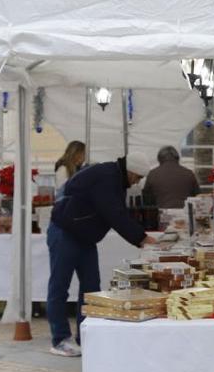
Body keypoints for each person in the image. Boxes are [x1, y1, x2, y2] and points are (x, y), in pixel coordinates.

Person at [46, 151, 152, 356]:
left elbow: (116, 212)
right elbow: (115, 214)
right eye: (138, 178)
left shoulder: (115, 179)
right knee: (60, 286)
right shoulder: (107, 177)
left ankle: (86, 335)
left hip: (84, 236)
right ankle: (60, 339)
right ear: (131, 172)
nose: (136, 183)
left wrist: (140, 235)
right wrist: (141, 238)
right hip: (65, 232)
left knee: (91, 289)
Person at [142, 145, 200, 209]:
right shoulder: (189, 173)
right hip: (185, 214)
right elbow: (198, 196)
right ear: (177, 158)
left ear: (159, 159)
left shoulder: (152, 174)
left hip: (161, 214)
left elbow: (146, 199)